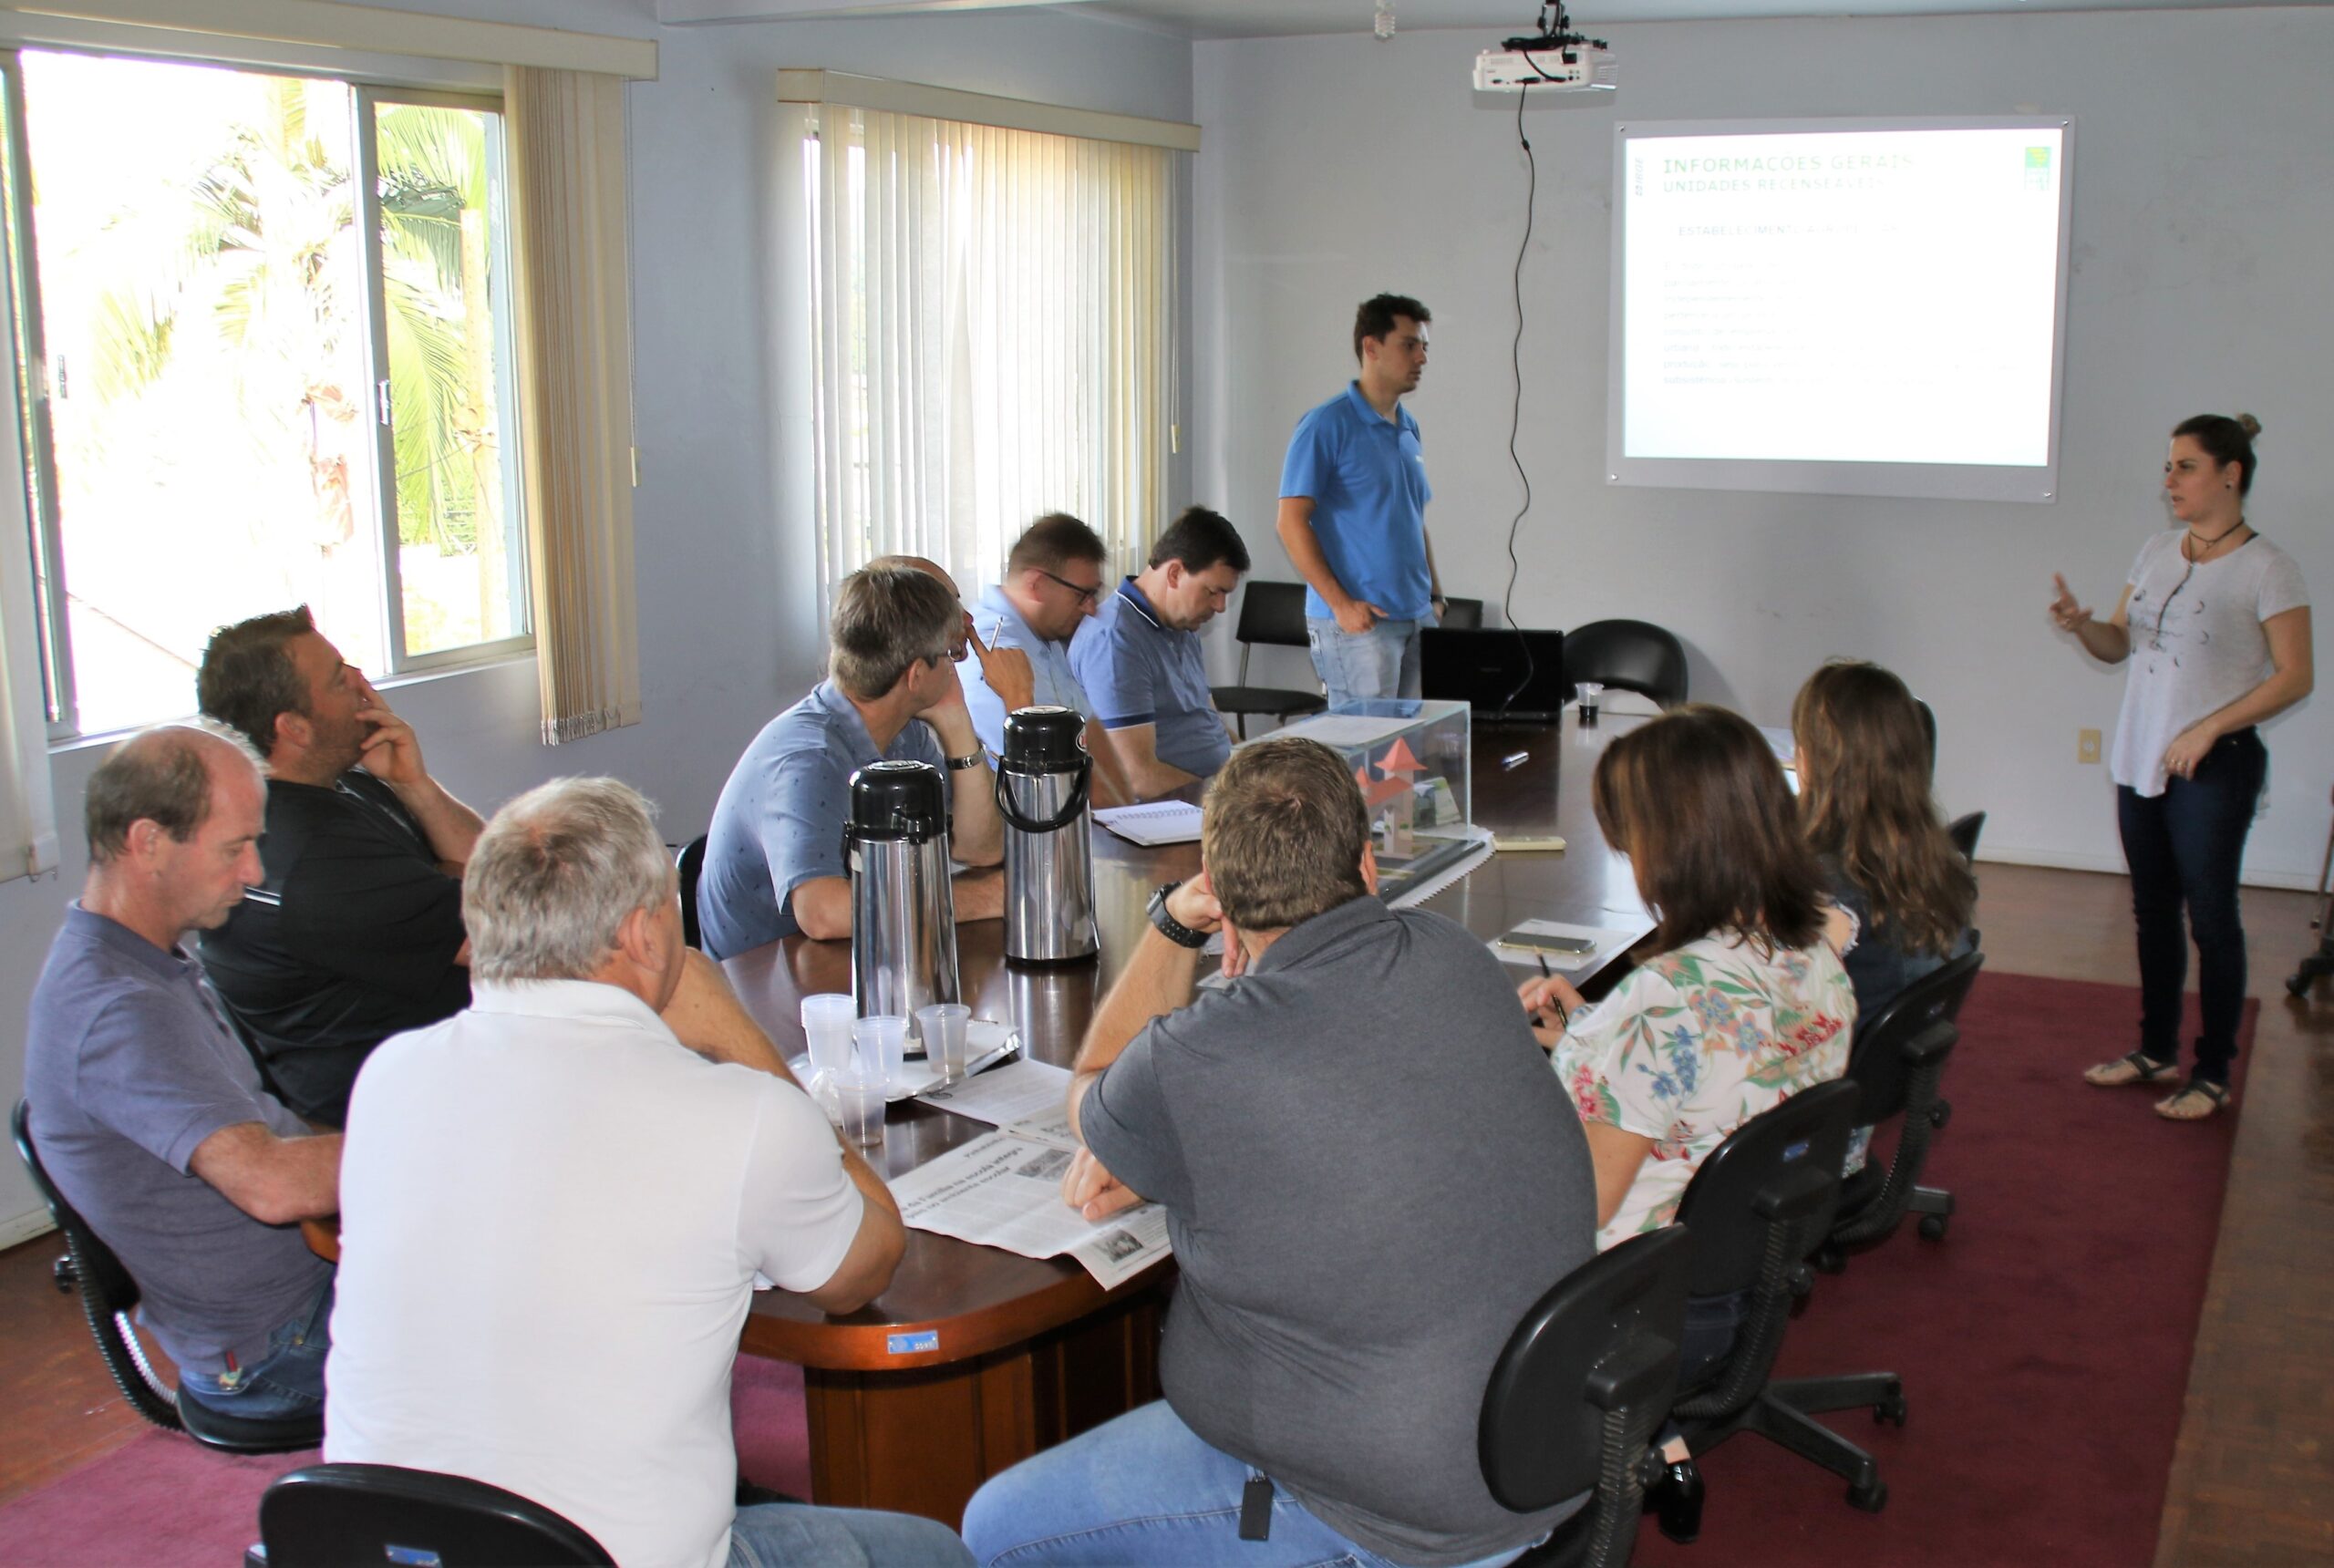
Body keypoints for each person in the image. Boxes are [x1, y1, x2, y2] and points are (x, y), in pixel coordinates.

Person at [961, 736, 1596, 1568]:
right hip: (1554, 1444)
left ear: (1219, 896)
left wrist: (1168, 928)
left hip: (1386, 1517)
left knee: (994, 1530)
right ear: (1367, 869)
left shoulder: (1197, 1058)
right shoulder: (1455, 955)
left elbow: (1094, 1086)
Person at [326, 777, 973, 1568]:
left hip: (376, 1546)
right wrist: (740, 1039)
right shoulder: (738, 1118)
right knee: (934, 1551)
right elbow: (865, 1267)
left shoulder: (390, 1077)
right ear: (643, 935)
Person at [1514, 704, 1856, 1544]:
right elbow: (1720, 1071)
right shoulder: (1818, 955)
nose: (1630, 862)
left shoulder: (1659, 1002)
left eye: (1629, 841)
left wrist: (1531, 1078)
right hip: (1726, 1274)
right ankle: (1650, 1447)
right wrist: (1591, 1035)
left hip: (1624, 1306)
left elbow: (1581, 1204)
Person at [24, 726, 340, 1426]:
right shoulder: (119, 1009)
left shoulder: (138, 957)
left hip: (301, 1292)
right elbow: (272, 1185)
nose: (254, 872)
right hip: (276, 1347)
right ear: (147, 842)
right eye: (234, 848)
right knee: (537, 1315)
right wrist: (437, 1129)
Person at [2050, 413, 2313, 1120]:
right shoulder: (2158, 550)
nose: (2169, 480)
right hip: (2142, 753)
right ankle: (2155, 1049)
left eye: (2185, 466)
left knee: (2212, 918)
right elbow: (2117, 647)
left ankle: (2213, 1070)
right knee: (2151, 910)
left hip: (2216, 764)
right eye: (2168, 466)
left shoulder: (2268, 567)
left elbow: (2295, 677)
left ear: (2230, 474)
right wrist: (2083, 628)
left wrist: (2210, 728)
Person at [195, 606, 480, 1128]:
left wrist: (413, 785)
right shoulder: (316, 855)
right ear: (294, 728)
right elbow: (517, 934)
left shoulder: (338, 786)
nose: (360, 682)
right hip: (405, 1110)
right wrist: (453, 883)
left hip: (443, 1059)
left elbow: (487, 869)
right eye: (338, 675)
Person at [697, 563, 1006, 957]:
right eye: (950, 654)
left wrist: (957, 725)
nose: (955, 666)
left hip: (854, 960)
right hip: (768, 987)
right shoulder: (807, 757)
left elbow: (980, 850)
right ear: (914, 675)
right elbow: (823, 914)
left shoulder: (901, 730)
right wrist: (982, 899)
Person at [1277, 294, 1448, 707]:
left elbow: (1411, 518)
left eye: (1425, 346)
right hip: (1360, 625)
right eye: (1410, 345)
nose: (1422, 357)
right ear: (1371, 347)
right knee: (1365, 759)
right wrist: (1341, 605)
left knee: (1408, 757)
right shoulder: (1325, 425)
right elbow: (1290, 522)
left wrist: (1436, 598)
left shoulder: (1409, 428)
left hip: (1416, 617)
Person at [1792, 659, 1978, 1016]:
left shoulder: (1830, 891)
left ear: (1806, 763)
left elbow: (1774, 1002)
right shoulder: (1939, 861)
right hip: (1893, 1057)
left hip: (1836, 1059)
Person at [1067, 505, 1250, 798]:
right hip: (1174, 811)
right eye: (1213, 592)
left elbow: (1208, 719)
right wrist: (1234, 802)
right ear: (1175, 573)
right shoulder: (1115, 640)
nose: (1220, 607)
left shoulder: (1182, 622)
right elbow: (1137, 777)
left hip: (1214, 792)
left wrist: (1253, 764)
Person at [957, 512, 1134, 807]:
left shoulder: (1045, 635)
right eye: (1082, 595)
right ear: (1037, 585)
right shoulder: (996, 651)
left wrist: (1130, 815)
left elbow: (1092, 736)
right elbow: (1046, 783)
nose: (1092, 609)